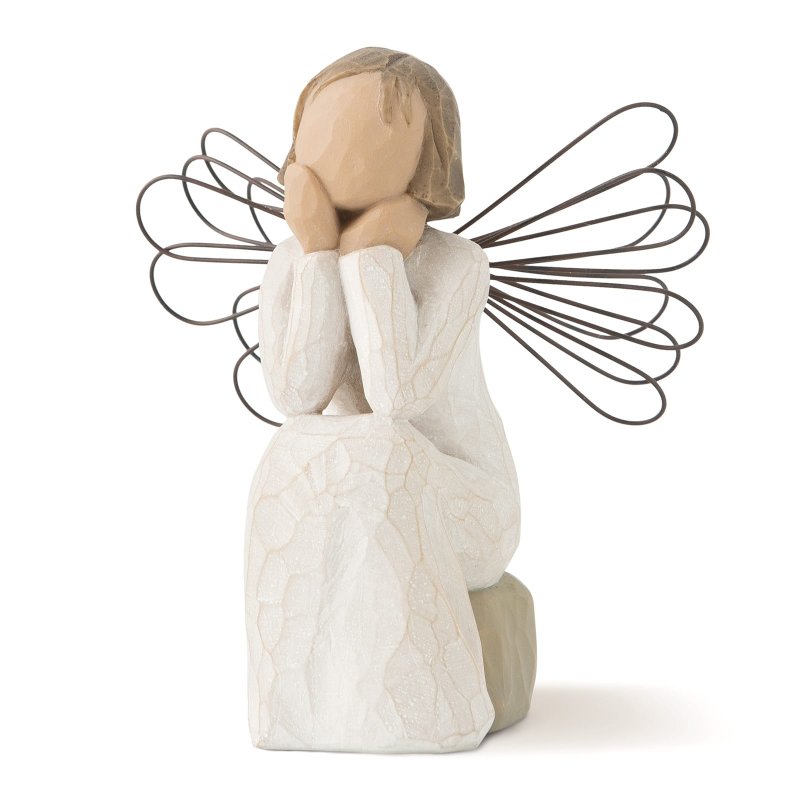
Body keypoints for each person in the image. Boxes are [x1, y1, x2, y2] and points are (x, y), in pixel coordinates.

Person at [245, 47, 521, 753]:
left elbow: (396, 396)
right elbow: (296, 394)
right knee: (289, 452)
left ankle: (431, 708)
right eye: (318, 127)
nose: (331, 147)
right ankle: (296, 710)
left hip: (464, 500)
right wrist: (318, 253)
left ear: (426, 162)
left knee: (385, 447)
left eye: (371, 129)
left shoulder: (457, 265)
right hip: (356, 484)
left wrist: (372, 256)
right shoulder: (290, 259)